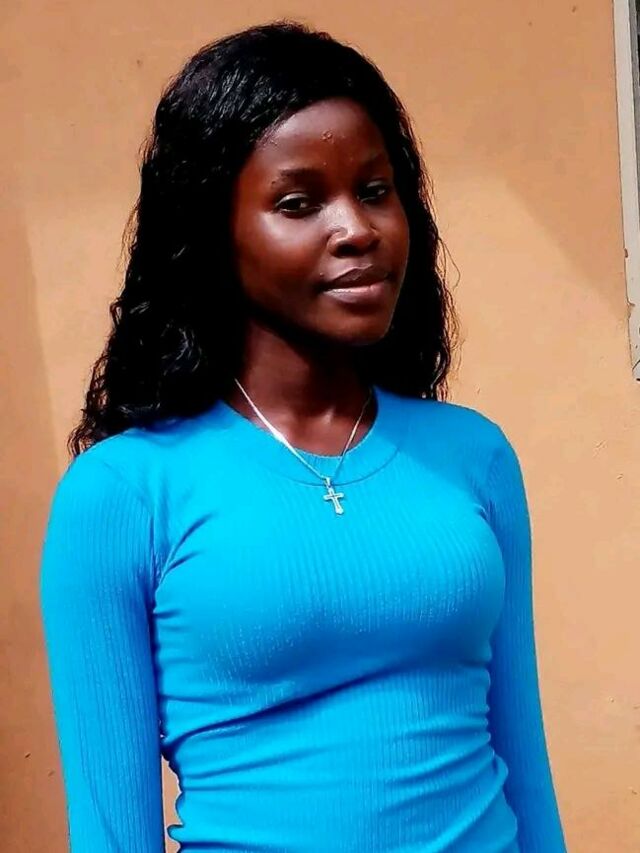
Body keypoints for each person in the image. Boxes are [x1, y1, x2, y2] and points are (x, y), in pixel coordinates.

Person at [39, 20, 566, 853]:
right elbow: (109, 831)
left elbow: (525, 764)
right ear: (214, 232)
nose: (356, 228)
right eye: (299, 202)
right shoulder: (124, 493)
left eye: (376, 190)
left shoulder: (474, 456)